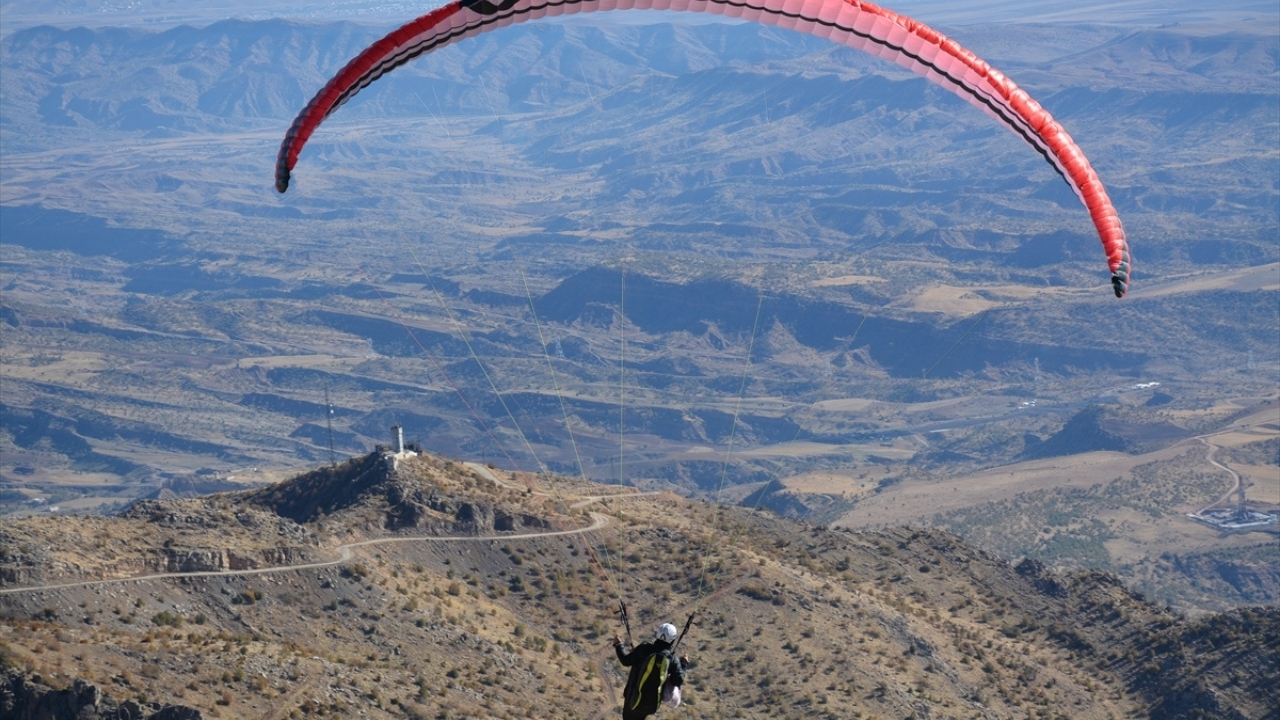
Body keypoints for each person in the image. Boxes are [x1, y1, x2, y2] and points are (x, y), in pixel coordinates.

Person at [613, 623, 688, 720]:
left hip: (633, 699)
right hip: (651, 705)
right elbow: (678, 680)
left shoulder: (644, 649)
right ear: (673, 640)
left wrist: (619, 645)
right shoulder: (672, 659)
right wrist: (683, 664)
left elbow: (625, 661)